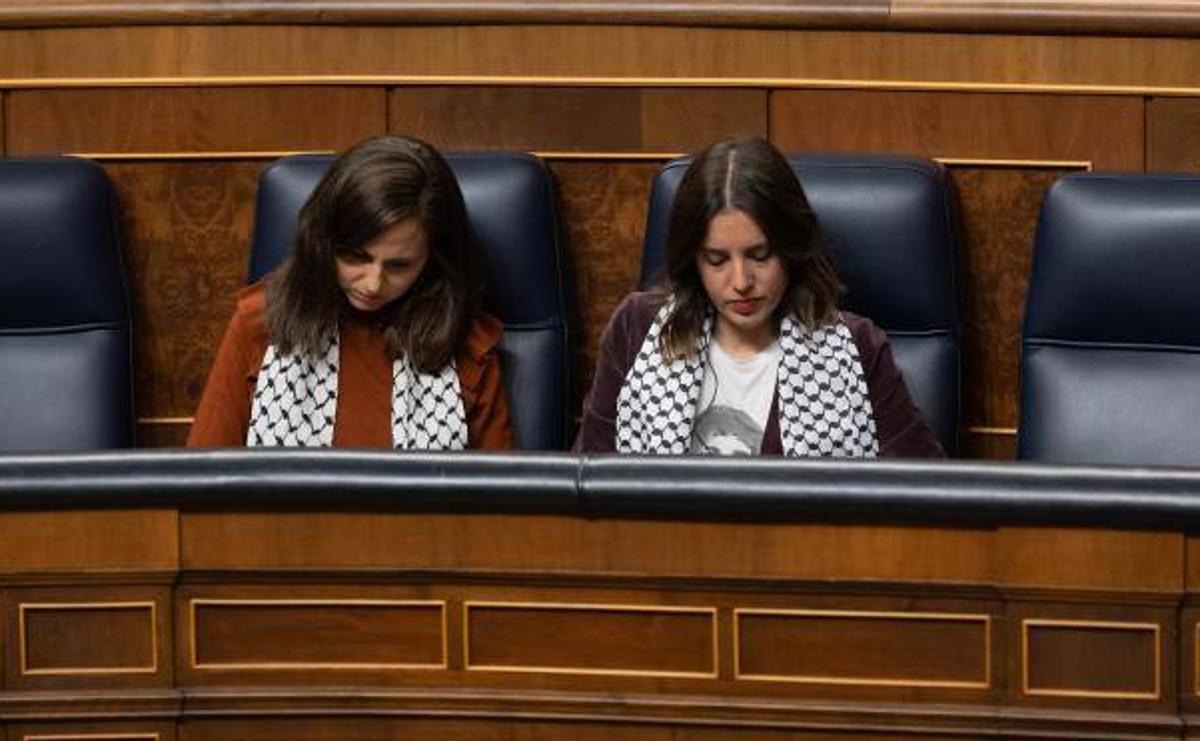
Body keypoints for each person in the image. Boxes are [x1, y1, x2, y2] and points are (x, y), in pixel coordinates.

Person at [575, 136, 943, 458]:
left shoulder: (856, 347)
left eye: (760, 255)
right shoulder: (637, 329)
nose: (741, 281)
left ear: (790, 249)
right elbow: (586, 484)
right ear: (694, 259)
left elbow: (926, 493)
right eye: (717, 260)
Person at [188, 135, 512, 449]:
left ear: (432, 261)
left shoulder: (467, 345)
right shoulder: (260, 324)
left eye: (399, 266)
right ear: (324, 242)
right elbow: (203, 479)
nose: (372, 284)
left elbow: (502, 498)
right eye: (357, 257)